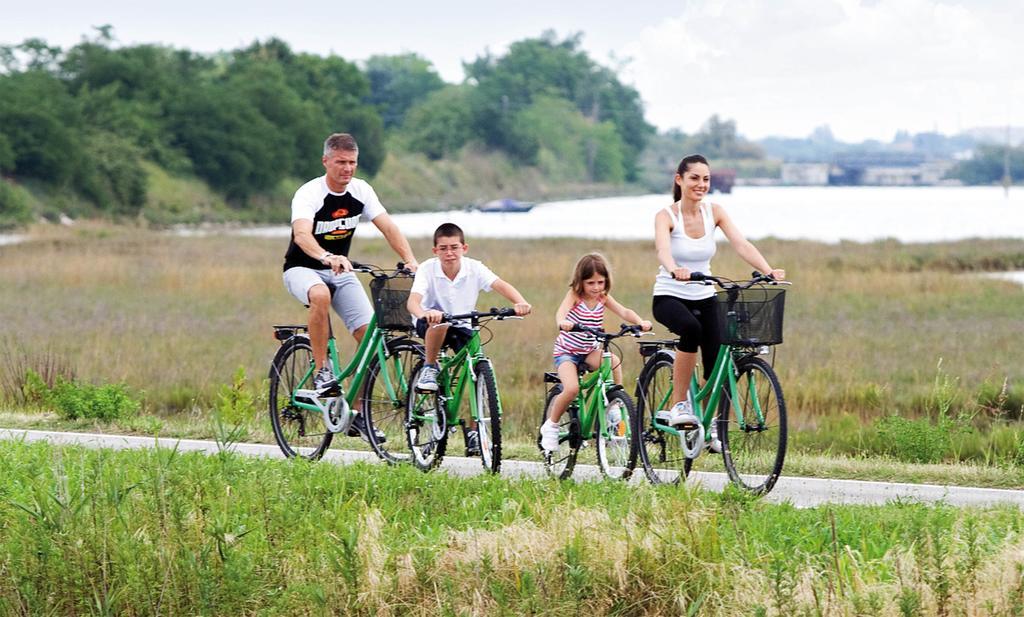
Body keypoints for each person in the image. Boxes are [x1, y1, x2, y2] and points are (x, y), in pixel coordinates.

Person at [282, 132, 419, 441]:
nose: (347, 169)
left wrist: (410, 260)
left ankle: (355, 413)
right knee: (319, 295)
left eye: (352, 163)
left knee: (369, 335)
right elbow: (302, 235)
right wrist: (326, 255)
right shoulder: (309, 193)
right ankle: (322, 372)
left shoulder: (361, 191)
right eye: (341, 162)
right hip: (303, 268)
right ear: (326, 161)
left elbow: (388, 226)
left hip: (341, 270)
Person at [652, 154, 785, 451]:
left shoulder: (716, 212)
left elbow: (741, 243)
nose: (701, 184)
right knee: (691, 330)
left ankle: (711, 425)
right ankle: (678, 406)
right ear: (679, 180)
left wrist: (768, 271)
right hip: (670, 296)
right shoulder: (666, 215)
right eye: (694, 178)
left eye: (706, 179)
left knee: (717, 357)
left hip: (706, 295)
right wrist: (674, 268)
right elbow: (662, 249)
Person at [406, 222, 532, 455]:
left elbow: (499, 284)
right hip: (430, 322)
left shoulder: (474, 268)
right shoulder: (427, 269)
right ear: (435, 251)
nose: (449, 253)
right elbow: (413, 302)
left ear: (464, 247)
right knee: (439, 323)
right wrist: (424, 312)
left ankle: (475, 432)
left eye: (454, 247)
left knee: (478, 368)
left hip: (463, 324)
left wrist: (519, 302)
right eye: (443, 248)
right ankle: (430, 367)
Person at [539, 253, 652, 453]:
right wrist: (562, 322)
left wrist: (640, 322)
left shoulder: (602, 297)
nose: (596, 287)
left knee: (614, 361)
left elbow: (624, 311)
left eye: (601, 282)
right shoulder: (575, 296)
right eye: (591, 282)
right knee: (572, 389)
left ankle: (614, 405)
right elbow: (561, 311)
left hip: (589, 350)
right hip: (567, 352)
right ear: (580, 281)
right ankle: (551, 425)